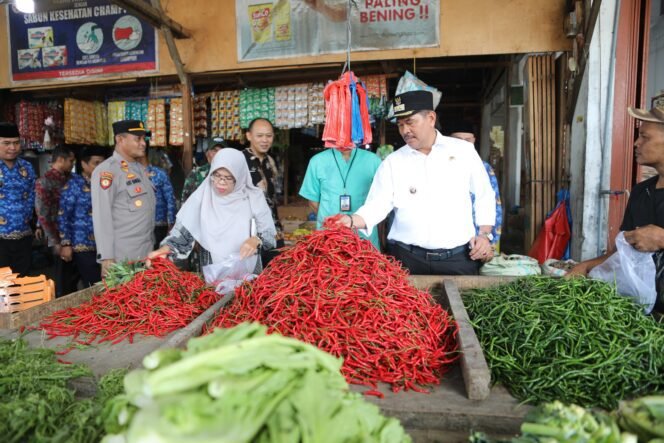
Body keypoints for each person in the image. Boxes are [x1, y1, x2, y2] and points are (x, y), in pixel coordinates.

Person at [332, 90, 496, 275]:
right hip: (406, 260)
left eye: (410, 122)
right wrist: (352, 220)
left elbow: (484, 194)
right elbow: (377, 205)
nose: (405, 131)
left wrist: (484, 234)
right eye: (400, 125)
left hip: (458, 259)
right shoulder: (393, 162)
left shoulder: (463, 152)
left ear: (431, 118)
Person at [569, 102, 664, 313]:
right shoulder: (641, 192)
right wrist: (586, 266)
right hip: (642, 312)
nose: (636, 143)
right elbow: (621, 253)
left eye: (645, 137)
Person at [148, 149, 276, 274]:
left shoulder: (255, 198)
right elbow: (182, 236)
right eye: (217, 175)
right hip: (212, 278)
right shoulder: (202, 197)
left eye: (228, 177)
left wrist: (256, 240)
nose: (221, 182)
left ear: (240, 176)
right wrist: (165, 249)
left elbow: (270, 237)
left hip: (248, 279)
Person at [91, 120, 156, 278]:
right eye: (137, 139)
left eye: (143, 139)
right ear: (120, 140)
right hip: (122, 261)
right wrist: (106, 256)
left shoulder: (139, 169)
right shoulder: (107, 171)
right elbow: (101, 215)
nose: (143, 144)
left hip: (145, 255)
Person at [299, 146, 382, 249]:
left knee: (367, 263)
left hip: (364, 238)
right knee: (328, 262)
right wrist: (331, 221)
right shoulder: (317, 161)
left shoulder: (374, 161)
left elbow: (382, 201)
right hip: (329, 237)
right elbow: (313, 201)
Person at [449, 123, 503, 257]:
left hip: (478, 235)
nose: (463, 144)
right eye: (458, 140)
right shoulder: (439, 164)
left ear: (473, 141)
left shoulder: (484, 167)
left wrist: (488, 239)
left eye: (467, 140)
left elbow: (493, 204)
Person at [58, 146, 106, 287]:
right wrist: (65, 244)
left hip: (106, 245)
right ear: (84, 164)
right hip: (82, 244)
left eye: (103, 163)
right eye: (96, 163)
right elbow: (63, 215)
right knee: (93, 284)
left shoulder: (107, 184)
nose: (101, 167)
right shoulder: (73, 185)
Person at [35, 146, 76, 296]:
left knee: (71, 276)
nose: (72, 164)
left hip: (73, 235)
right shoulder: (45, 181)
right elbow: (43, 213)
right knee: (61, 279)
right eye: (70, 161)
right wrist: (55, 241)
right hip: (58, 236)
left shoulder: (70, 179)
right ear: (60, 159)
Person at [242, 118, 284, 264]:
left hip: (273, 233)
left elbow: (272, 199)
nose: (265, 140)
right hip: (248, 237)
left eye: (269, 136)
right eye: (259, 136)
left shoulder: (271, 162)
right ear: (249, 136)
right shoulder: (240, 161)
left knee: (274, 280)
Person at [0, 122, 36, 276]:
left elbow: (35, 196)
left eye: (16, 143)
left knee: (22, 281)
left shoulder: (27, 167)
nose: (12, 148)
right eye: (6, 143)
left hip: (24, 236)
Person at [139, 148, 176, 247]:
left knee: (157, 257)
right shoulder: (129, 174)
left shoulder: (160, 173)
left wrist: (171, 222)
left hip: (158, 224)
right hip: (137, 225)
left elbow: (170, 198)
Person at [181, 137, 226, 204]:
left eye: (222, 151)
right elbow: (185, 201)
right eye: (214, 150)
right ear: (207, 154)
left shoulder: (233, 175)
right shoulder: (196, 174)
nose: (218, 154)